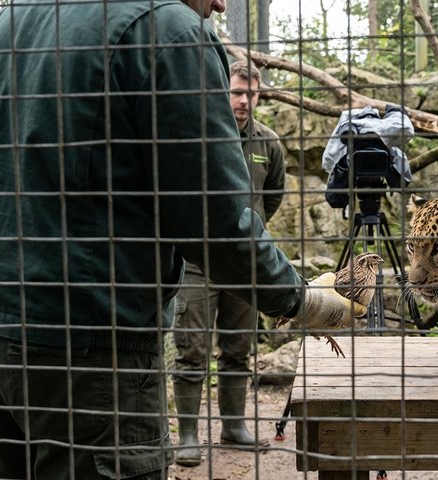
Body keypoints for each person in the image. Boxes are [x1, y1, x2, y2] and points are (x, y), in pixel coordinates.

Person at [0, 0, 364, 478]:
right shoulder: (172, 32)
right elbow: (215, 218)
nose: (220, 4)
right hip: (91, 349)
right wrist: (300, 300)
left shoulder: (8, 22)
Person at [171, 61, 287, 467]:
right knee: (192, 348)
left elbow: (272, 197)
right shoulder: (202, 134)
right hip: (196, 261)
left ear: (259, 96)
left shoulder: (268, 143)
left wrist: (247, 240)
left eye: (250, 93)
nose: (242, 100)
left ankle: (233, 426)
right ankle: (186, 435)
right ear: (224, 91)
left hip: (243, 264)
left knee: (238, 347)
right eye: (236, 91)